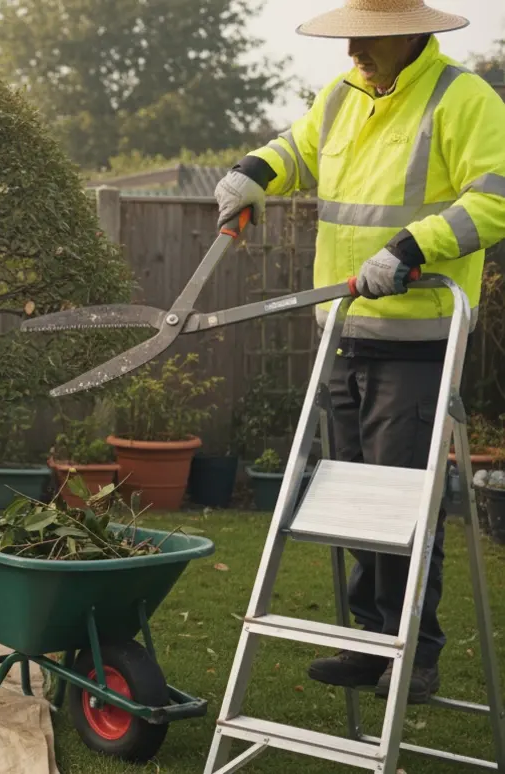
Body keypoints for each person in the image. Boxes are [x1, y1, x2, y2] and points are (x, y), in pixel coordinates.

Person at [215, 0, 505, 704]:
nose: (353, 49)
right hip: (340, 333)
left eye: (367, 37)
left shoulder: (463, 99)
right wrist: (254, 171)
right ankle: (369, 644)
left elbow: (496, 197)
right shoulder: (342, 97)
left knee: (400, 501)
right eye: (350, 34)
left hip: (419, 340)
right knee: (349, 502)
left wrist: (412, 248)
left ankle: (415, 655)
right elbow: (300, 149)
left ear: (411, 32)